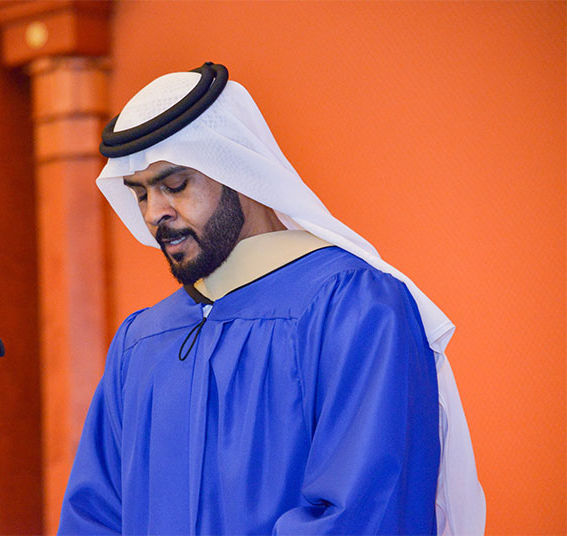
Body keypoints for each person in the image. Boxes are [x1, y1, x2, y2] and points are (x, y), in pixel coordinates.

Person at [58, 63, 485, 535]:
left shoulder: (354, 307)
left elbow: (364, 513)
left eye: (175, 185)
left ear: (236, 168)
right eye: (140, 194)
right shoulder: (142, 342)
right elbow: (93, 516)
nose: (155, 213)